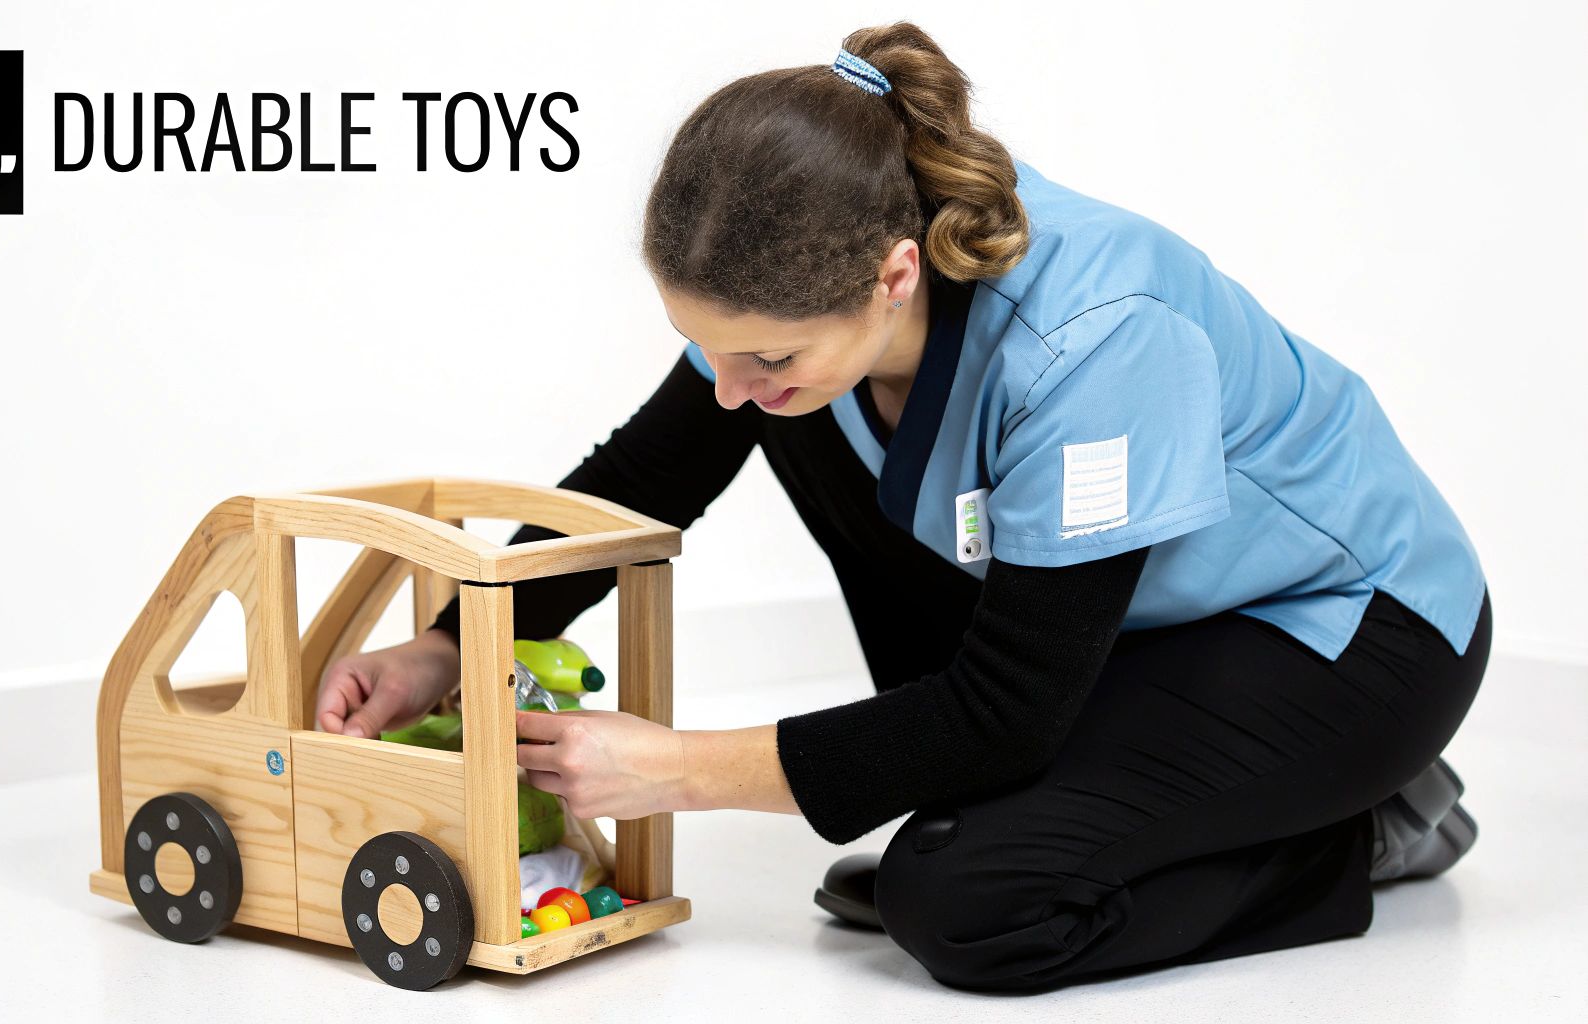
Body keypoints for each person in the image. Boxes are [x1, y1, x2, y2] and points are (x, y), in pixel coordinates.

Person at [315, 22, 1492, 992]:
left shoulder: (1092, 348)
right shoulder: (807, 299)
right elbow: (644, 473)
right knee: (786, 421)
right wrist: (447, 652)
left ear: (893, 275)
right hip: (1135, 622)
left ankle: (1349, 829)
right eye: (701, 347)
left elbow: (1007, 712)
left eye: (759, 352)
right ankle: (1093, 802)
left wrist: (675, 768)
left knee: (967, 904)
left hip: (1348, 631)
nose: (724, 386)